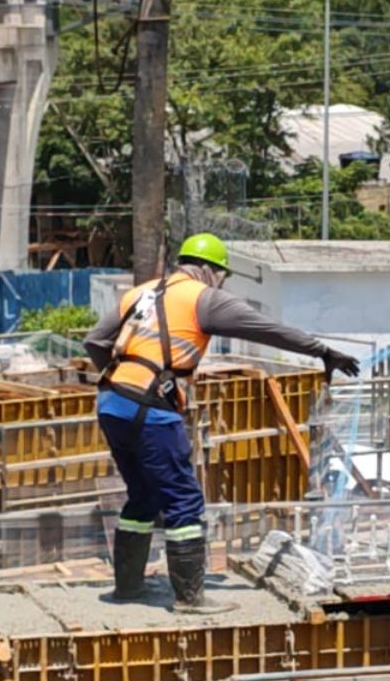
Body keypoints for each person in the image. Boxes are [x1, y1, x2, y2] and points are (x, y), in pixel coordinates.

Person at [84, 233, 360, 608]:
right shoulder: (204, 298)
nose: (221, 284)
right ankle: (190, 598)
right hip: (150, 408)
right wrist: (323, 351)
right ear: (208, 270)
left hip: (111, 402)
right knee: (183, 500)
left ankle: (128, 588)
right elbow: (266, 329)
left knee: (144, 495)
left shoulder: (139, 293)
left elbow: (95, 342)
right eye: (222, 276)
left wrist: (126, 379)